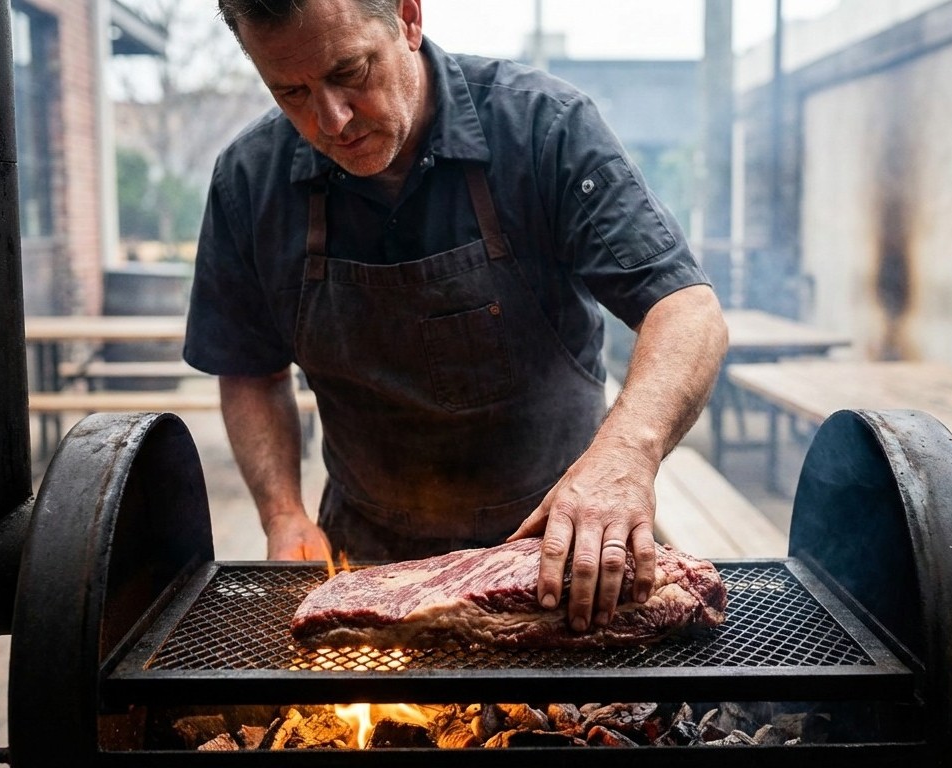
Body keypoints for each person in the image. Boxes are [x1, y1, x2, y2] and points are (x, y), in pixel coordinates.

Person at [187, 0, 728, 633]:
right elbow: (251, 372)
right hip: (362, 568)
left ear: (408, 19)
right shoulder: (248, 180)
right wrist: (283, 515)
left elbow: (687, 309)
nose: (330, 119)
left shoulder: (542, 128)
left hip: (558, 561)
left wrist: (621, 463)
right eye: (292, 92)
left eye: (351, 72)